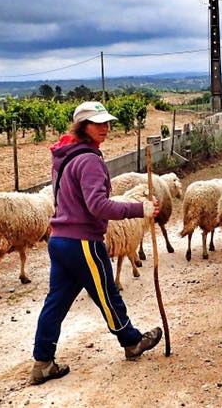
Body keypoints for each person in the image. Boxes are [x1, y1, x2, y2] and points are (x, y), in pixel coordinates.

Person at [29, 101, 163, 385]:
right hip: (82, 242)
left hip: (60, 239)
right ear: (82, 126)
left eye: (106, 123)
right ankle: (132, 342)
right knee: (107, 296)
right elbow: (98, 206)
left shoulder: (64, 156)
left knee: (56, 303)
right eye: (97, 123)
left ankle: (42, 362)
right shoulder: (89, 159)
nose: (105, 128)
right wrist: (141, 209)